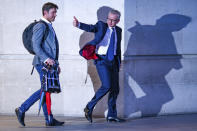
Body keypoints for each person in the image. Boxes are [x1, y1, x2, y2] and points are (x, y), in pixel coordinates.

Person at [15, 2, 64, 126]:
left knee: (46, 90)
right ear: (45, 13)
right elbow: (36, 46)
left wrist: (56, 64)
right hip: (42, 63)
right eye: (53, 12)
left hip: (48, 63)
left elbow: (51, 47)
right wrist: (47, 59)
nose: (55, 15)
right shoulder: (41, 26)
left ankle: (49, 119)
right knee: (45, 89)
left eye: (55, 12)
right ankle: (22, 109)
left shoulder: (48, 25)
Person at [73, 9, 125, 123]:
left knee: (115, 89)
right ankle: (89, 107)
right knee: (106, 86)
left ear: (118, 21)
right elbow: (91, 28)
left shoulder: (119, 30)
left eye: (113, 20)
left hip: (113, 61)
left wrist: (119, 61)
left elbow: (118, 47)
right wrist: (79, 24)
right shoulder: (101, 25)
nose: (110, 22)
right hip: (101, 60)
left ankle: (111, 115)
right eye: (109, 19)